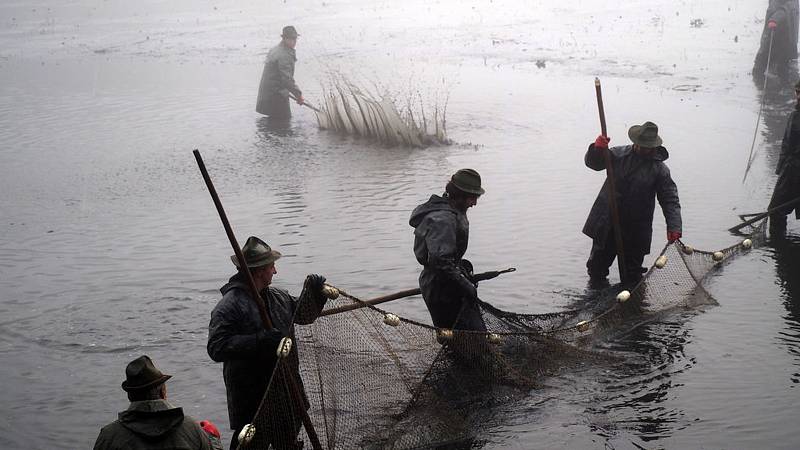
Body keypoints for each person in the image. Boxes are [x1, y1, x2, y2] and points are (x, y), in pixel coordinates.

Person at [207, 236, 328, 450]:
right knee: (252, 444)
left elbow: (303, 315)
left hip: (287, 392)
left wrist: (315, 295)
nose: (275, 271)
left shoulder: (278, 296)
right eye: (272, 266)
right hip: (253, 399)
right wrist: (259, 340)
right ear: (260, 270)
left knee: (288, 443)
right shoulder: (229, 306)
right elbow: (217, 347)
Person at [583, 121, 682, 287]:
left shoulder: (660, 169)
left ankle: (630, 306)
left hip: (636, 229)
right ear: (635, 142)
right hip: (608, 222)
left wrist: (674, 227)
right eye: (641, 145)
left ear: (654, 147)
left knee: (632, 277)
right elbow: (594, 164)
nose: (644, 149)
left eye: (647, 147)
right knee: (596, 269)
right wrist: (597, 148)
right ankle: (595, 301)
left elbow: (670, 199)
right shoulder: (617, 155)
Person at [409, 169, 486, 331]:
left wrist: (461, 269)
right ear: (460, 195)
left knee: (467, 338)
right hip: (441, 291)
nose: (474, 203)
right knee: (462, 339)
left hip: (447, 283)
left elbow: (446, 257)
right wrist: (466, 285)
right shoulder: (443, 219)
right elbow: (441, 262)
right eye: (472, 198)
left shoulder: (453, 209)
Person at [93, 355, 216, 450]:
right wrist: (212, 437)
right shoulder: (191, 428)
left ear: (130, 396)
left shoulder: (109, 436)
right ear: (163, 392)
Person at [769, 80, 800, 237]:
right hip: (791, 170)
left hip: (794, 170)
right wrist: (780, 169)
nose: (799, 96)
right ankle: (778, 246)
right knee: (775, 212)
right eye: (797, 92)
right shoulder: (795, 115)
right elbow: (786, 144)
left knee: (776, 211)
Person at [255, 25, 305, 119]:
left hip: (267, 94)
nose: (294, 41)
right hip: (276, 96)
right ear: (284, 38)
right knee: (284, 124)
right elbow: (287, 80)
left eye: (295, 38)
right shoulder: (284, 55)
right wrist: (299, 95)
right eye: (291, 38)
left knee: (274, 126)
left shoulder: (275, 49)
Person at [753, 0, 799, 79]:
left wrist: (775, 19)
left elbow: (788, 7)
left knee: (784, 69)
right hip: (772, 33)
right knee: (759, 68)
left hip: (785, 35)